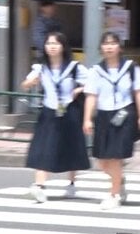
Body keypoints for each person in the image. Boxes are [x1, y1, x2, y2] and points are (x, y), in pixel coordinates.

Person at [83, 32, 140, 209]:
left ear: (120, 47)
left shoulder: (131, 67)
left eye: (113, 43)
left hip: (124, 114)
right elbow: (91, 96)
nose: (109, 47)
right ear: (101, 48)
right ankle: (119, 180)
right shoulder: (96, 71)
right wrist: (87, 119)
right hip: (103, 116)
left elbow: (139, 92)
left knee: (115, 157)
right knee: (102, 161)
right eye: (106, 44)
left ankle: (113, 195)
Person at [21, 32, 90, 203]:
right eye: (49, 43)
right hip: (49, 112)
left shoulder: (75, 68)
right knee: (44, 147)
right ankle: (39, 186)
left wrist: (78, 90)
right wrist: (31, 82)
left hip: (69, 111)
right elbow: (25, 84)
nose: (52, 47)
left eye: (56, 43)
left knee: (71, 147)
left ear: (63, 47)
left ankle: (72, 183)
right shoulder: (41, 68)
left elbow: (91, 83)